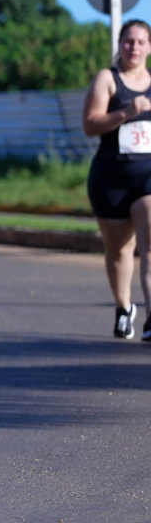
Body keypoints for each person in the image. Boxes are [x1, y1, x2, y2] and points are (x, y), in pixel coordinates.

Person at [83, 19, 151, 340]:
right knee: (119, 251)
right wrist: (126, 112)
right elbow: (90, 124)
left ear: (149, 47)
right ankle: (124, 308)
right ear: (120, 44)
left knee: (150, 246)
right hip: (111, 178)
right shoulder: (107, 79)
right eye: (128, 41)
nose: (134, 47)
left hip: (147, 176)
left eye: (140, 42)